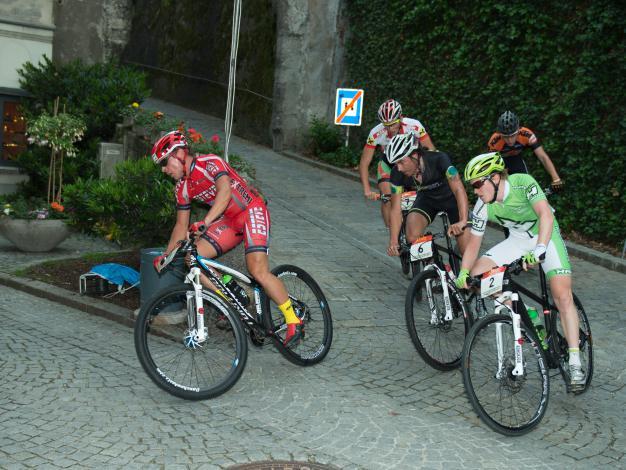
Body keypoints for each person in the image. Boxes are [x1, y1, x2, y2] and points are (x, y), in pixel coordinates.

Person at [151, 130, 302, 345]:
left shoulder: (210, 163)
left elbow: (225, 192)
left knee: (257, 270)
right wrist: (167, 254)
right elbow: (181, 225)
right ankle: (233, 297)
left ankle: (292, 319)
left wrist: (206, 221)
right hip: (230, 220)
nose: (164, 170)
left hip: (251, 210)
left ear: (180, 154)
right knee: (194, 260)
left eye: (165, 163)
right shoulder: (182, 187)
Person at [455, 152, 585, 388]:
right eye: (471, 186)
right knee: (479, 276)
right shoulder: (483, 205)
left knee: (561, 294)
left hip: (545, 235)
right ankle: (527, 315)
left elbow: (545, 215)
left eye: (476, 184)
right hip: (516, 240)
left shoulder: (523, 183)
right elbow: (473, 243)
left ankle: (575, 360)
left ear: (494, 178)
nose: (475, 190)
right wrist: (464, 272)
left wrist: (540, 250)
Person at [384, 132, 470, 258]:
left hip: (452, 201)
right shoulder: (397, 173)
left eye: (401, 162)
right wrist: (393, 241)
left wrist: (463, 220)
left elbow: (459, 190)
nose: (399, 168)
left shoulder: (439, 159)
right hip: (427, 200)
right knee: (412, 236)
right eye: (396, 164)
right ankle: (432, 266)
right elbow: (396, 209)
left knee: (467, 252)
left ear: (414, 155)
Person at [359, 99, 436, 229]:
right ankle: (392, 228)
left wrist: (431, 175)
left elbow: (431, 150)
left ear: (400, 117)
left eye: (393, 124)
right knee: (387, 196)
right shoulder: (376, 132)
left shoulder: (414, 125)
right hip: (388, 165)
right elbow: (364, 162)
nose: (390, 128)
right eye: (385, 124)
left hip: (410, 164)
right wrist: (366, 189)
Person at [488, 111, 564, 191]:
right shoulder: (494, 141)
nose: (509, 140)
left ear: (518, 130)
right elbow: (492, 167)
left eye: (513, 135)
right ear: (499, 133)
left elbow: (542, 157)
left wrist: (556, 179)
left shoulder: (526, 134)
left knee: (525, 185)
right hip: (501, 162)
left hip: (516, 160)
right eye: (505, 137)